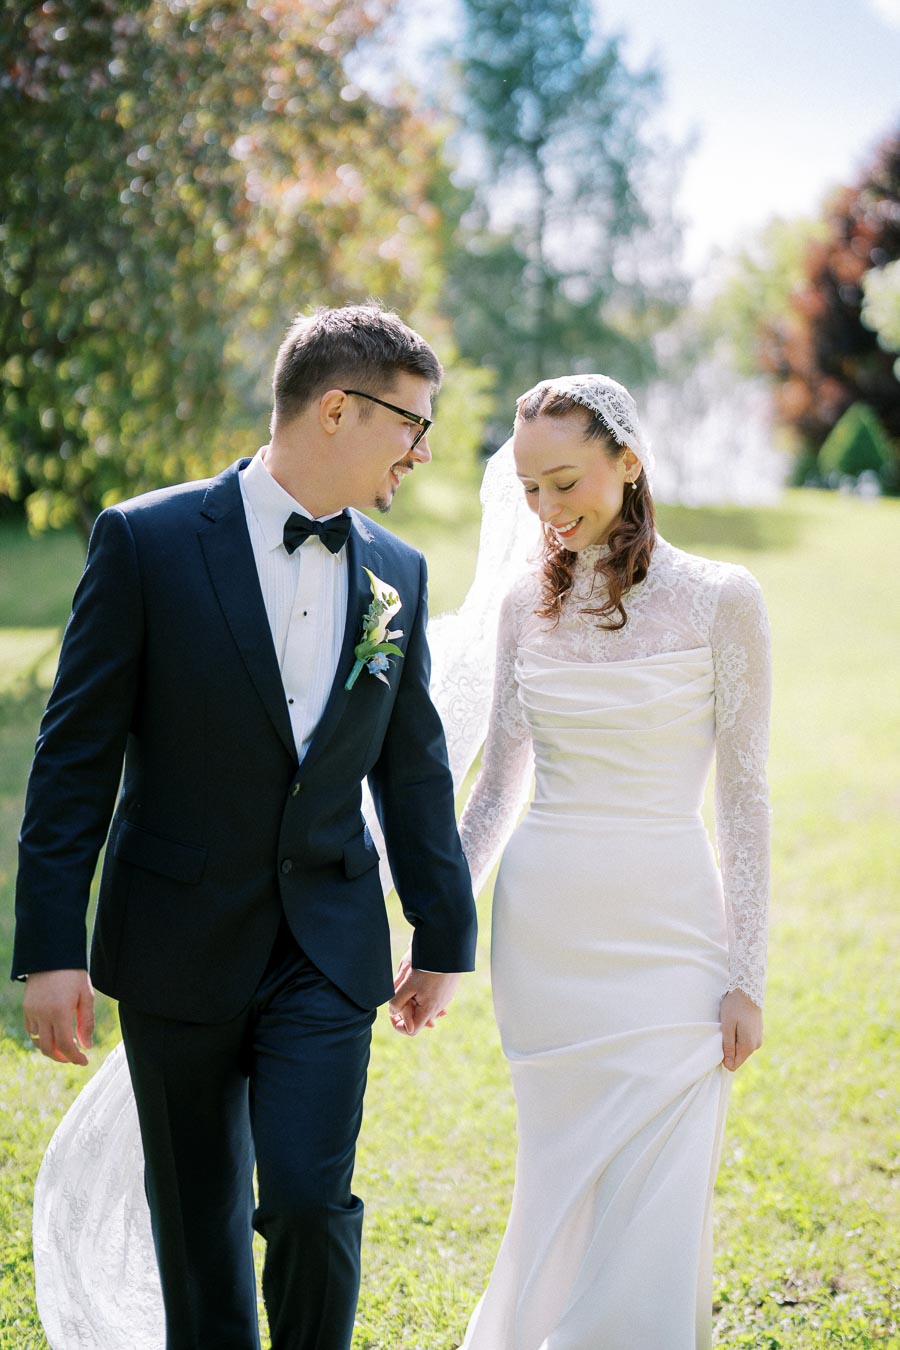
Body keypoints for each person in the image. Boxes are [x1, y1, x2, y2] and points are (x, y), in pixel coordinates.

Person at [13, 302, 477, 1350]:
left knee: (312, 1202)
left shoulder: (397, 573)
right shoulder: (147, 540)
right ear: (334, 410)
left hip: (327, 941)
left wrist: (442, 933)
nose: (420, 450)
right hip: (178, 935)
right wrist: (50, 947)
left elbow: (415, 769)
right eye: (412, 423)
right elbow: (75, 757)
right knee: (200, 1224)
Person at [456, 374, 771, 1349]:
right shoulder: (520, 605)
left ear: (627, 465)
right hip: (548, 934)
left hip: (673, 929)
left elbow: (746, 795)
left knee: (663, 1190)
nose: (548, 512)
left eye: (565, 482)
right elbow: (499, 786)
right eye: (530, 491)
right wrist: (441, 930)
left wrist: (745, 975)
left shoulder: (722, 601)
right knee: (565, 1171)